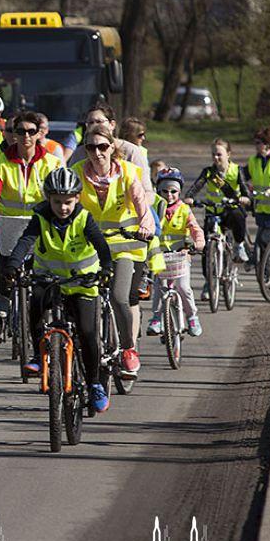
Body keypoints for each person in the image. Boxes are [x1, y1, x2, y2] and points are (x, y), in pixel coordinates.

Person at [3, 167, 114, 412]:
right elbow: (25, 242)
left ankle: (95, 383)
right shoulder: (40, 216)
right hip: (49, 279)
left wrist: (106, 268)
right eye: (57, 202)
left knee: (87, 333)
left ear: (77, 199)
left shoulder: (84, 218)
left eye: (68, 202)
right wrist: (13, 264)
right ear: (48, 199)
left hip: (82, 283)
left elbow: (101, 246)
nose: (63, 207)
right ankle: (36, 357)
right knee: (35, 310)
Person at [70, 123, 156, 378]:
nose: (97, 153)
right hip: (90, 248)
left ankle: (129, 348)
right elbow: (64, 204)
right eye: (91, 147)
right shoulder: (76, 173)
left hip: (124, 246)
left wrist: (146, 226)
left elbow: (143, 207)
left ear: (112, 148)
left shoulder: (129, 173)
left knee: (120, 298)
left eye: (103, 147)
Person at [0, 111, 63, 343]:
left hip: (39, 225)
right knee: (1, 268)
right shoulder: (1, 160)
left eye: (31, 132)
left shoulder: (52, 162)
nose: (26, 136)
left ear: (39, 134)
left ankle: (44, 314)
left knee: (44, 274)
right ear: (13, 134)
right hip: (7, 225)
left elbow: (57, 194)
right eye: (21, 131)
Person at [147, 168, 205, 338]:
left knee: (183, 287)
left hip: (180, 256)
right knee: (159, 288)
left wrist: (198, 242)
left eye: (174, 191)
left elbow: (195, 228)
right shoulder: (153, 208)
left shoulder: (184, 209)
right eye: (164, 191)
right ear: (158, 191)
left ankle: (192, 317)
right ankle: (157, 318)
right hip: (159, 256)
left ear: (179, 191)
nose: (169, 195)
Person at [67, 104, 153, 199]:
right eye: (90, 123)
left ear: (112, 125)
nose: (94, 126)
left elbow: (148, 192)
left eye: (99, 122)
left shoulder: (131, 151)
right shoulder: (80, 153)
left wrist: (139, 208)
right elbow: (69, 188)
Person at [185, 138, 249, 265]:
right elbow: (196, 186)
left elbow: (245, 190)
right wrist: (189, 198)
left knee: (238, 216)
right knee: (206, 246)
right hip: (213, 211)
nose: (215, 157)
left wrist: (245, 198)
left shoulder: (236, 170)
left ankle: (239, 245)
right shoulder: (208, 172)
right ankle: (209, 280)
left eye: (219, 154)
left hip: (229, 211)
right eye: (213, 154)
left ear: (228, 154)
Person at [244, 126, 270, 264]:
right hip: (261, 209)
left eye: (259, 143)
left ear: (267, 144)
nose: (256, 146)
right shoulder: (254, 160)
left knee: (266, 240)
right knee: (263, 242)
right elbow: (242, 176)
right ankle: (265, 269)